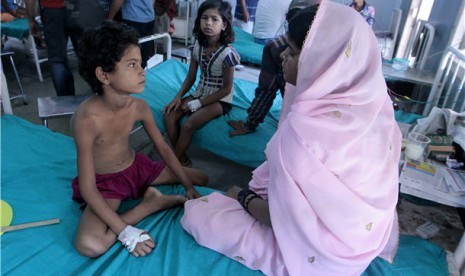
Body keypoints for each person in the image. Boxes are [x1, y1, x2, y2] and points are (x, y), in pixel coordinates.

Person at [181, 2, 401, 275]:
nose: (283, 54)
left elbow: (280, 219)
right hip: (363, 241)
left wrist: (242, 196)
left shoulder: (303, 132)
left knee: (200, 214)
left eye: (294, 51)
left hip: (323, 254)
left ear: (325, 61)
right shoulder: (380, 113)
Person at [71, 21, 208, 258]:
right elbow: (87, 186)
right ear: (103, 74)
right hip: (106, 183)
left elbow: (164, 149)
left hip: (138, 169)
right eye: (132, 65)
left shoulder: (139, 107)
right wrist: (126, 232)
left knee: (202, 179)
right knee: (89, 244)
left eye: (141, 64)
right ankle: (150, 204)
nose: (142, 71)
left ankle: (154, 195)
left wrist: (187, 185)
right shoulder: (86, 120)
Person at [163, 0, 240, 167]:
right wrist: (178, 97)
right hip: (199, 92)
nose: (208, 23)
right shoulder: (197, 46)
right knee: (169, 116)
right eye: (204, 18)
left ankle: (172, 164)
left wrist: (198, 103)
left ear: (224, 25)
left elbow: (226, 89)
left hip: (220, 99)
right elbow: (191, 77)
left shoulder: (228, 54)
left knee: (189, 125)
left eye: (214, 19)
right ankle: (181, 157)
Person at [228, 0, 313, 137]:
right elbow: (266, 90)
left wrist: (249, 124)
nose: (283, 54)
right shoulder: (276, 48)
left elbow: (266, 90)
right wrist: (250, 124)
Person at [25, 0, 83, 96]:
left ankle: (65, 103)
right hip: (79, 8)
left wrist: (31, 19)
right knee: (89, 55)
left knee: (57, 60)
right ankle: (102, 97)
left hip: (52, 11)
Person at [107, 0, 156, 69]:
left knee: (129, 54)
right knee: (145, 54)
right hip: (149, 17)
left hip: (133, 18)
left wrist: (109, 18)